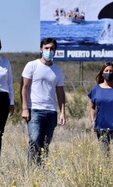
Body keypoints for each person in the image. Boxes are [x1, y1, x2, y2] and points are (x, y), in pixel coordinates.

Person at [20, 37, 66, 165]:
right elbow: (24, 87)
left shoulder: (57, 70)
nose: (49, 51)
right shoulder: (32, 65)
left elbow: (60, 93)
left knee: (45, 143)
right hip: (34, 110)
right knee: (34, 139)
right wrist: (24, 108)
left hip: (51, 111)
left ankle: (41, 170)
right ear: (41, 49)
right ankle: (31, 169)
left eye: (52, 48)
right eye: (46, 48)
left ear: (55, 51)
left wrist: (62, 112)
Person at [87, 62, 113, 157]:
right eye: (106, 71)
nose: (109, 73)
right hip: (101, 127)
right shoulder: (96, 89)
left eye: (111, 71)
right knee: (105, 157)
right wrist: (92, 121)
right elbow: (92, 107)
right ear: (102, 73)